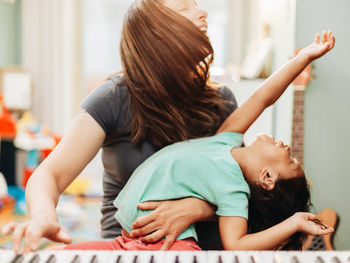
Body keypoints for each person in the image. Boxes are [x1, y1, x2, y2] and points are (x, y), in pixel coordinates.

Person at [51, 30, 335, 251]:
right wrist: (302, 59)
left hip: (170, 245)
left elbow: (236, 244)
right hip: (128, 240)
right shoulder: (226, 140)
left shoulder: (234, 191)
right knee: (56, 256)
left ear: (267, 178)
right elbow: (262, 98)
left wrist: (294, 222)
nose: (287, 147)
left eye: (291, 160)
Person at [1, 0, 240, 253]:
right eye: (185, 9)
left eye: (198, 5)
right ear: (156, 34)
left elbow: (244, 186)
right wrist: (42, 215)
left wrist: (198, 208)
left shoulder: (222, 101)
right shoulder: (113, 97)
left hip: (207, 250)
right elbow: (50, 174)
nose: (202, 12)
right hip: (127, 249)